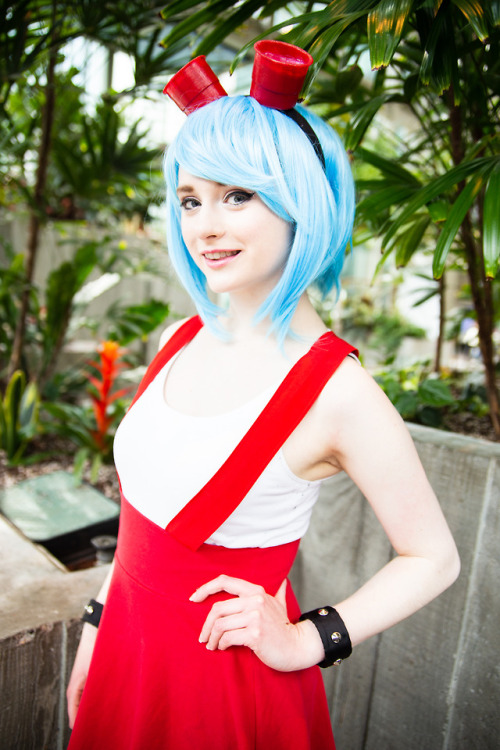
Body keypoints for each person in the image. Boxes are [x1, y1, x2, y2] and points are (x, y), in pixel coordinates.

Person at [66, 42, 460, 750]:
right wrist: (96, 631)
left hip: (224, 691)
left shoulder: (339, 391)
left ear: (299, 202)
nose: (205, 225)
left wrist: (311, 640)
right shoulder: (176, 339)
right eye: (191, 199)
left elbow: (433, 556)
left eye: (237, 196)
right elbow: (139, 523)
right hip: (126, 653)